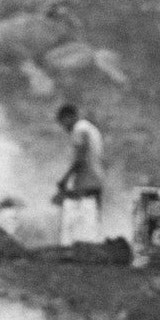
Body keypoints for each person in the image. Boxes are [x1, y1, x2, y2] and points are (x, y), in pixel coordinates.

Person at [54, 103, 104, 245]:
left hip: (86, 182)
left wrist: (65, 179)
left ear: (68, 117)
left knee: (82, 225)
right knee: (92, 223)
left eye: (63, 123)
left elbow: (80, 158)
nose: (64, 128)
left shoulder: (79, 129)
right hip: (96, 180)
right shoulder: (90, 128)